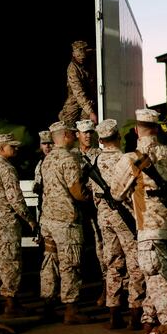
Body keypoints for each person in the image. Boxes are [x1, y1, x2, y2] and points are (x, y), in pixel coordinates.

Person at [110, 108, 167, 334]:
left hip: (149, 230)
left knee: (157, 279)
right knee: (162, 278)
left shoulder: (131, 158)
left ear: (137, 130)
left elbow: (116, 193)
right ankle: (148, 320)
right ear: (157, 129)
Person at [91, 119, 145, 330]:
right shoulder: (125, 159)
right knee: (134, 263)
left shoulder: (95, 161)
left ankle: (113, 311)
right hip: (125, 216)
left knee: (112, 263)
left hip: (104, 216)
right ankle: (135, 310)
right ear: (118, 137)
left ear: (101, 139)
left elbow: (93, 193)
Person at [39, 120, 92, 325]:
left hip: (48, 219)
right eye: (71, 133)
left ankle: (48, 304)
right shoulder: (68, 159)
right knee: (70, 263)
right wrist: (88, 195)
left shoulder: (48, 159)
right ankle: (71, 309)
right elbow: (77, 193)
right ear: (67, 136)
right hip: (65, 220)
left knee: (49, 262)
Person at [0, 133, 38, 317]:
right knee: (10, 262)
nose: (16, 149)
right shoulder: (7, 169)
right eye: (12, 146)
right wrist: (29, 219)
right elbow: (15, 198)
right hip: (5, 220)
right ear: (2, 148)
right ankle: (11, 304)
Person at [75, 119, 106, 306]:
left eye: (90, 132)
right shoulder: (71, 156)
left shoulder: (100, 155)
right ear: (77, 134)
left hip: (96, 208)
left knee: (102, 248)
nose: (88, 135)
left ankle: (106, 289)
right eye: (84, 132)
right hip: (76, 209)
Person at [58, 40, 97, 125]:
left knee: (87, 122)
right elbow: (78, 93)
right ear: (73, 54)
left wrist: (89, 112)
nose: (81, 58)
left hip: (91, 94)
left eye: (83, 56)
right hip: (76, 96)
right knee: (67, 122)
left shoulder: (92, 55)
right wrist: (90, 112)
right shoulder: (72, 70)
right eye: (78, 56)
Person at [33, 130, 54, 216]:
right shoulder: (40, 163)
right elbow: (37, 185)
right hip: (45, 204)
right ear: (40, 146)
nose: (47, 146)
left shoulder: (59, 161)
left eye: (50, 143)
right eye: (44, 143)